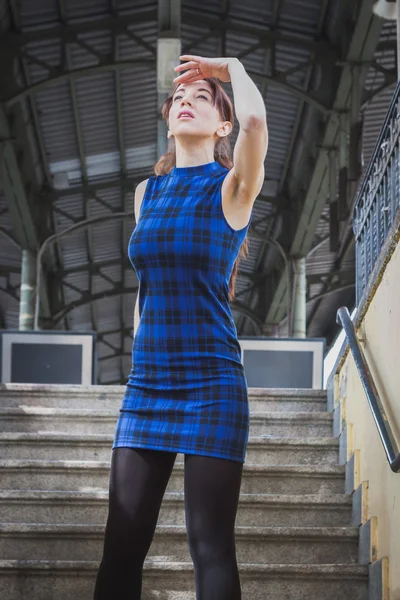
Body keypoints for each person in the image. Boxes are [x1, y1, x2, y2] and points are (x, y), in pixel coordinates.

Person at [93, 54, 268, 600]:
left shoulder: (232, 186)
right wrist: (139, 355)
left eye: (203, 98)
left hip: (213, 385)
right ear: (169, 119)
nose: (186, 100)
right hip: (148, 387)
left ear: (223, 124)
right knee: (122, 543)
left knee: (209, 544)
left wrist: (229, 68)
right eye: (179, 98)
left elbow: (258, 123)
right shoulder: (148, 193)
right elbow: (146, 285)